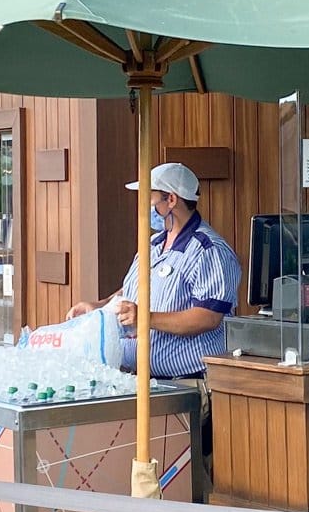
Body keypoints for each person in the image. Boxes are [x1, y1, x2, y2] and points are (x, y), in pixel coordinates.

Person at [67, 161, 242, 460]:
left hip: (184, 386)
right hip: (138, 381)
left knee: (182, 475)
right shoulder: (152, 243)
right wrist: (97, 305)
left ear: (170, 199)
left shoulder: (209, 250)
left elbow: (209, 317)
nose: (143, 207)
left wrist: (145, 318)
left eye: (149, 198)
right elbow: (133, 291)